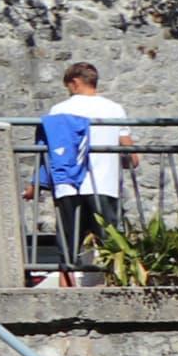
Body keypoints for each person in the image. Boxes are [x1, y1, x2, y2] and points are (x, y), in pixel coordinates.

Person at [41, 59, 134, 280]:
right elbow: (129, 149)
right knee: (109, 240)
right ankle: (113, 282)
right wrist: (127, 160)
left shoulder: (59, 109)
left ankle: (66, 286)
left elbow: (53, 147)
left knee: (68, 240)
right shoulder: (114, 109)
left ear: (74, 83)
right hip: (104, 183)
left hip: (69, 184)